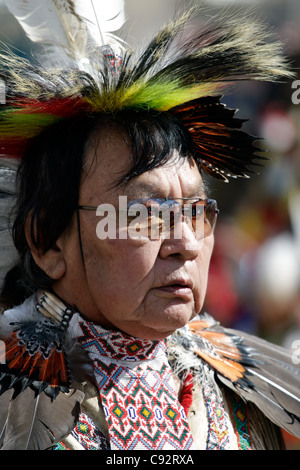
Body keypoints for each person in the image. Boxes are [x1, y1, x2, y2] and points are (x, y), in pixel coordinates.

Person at [0, 3, 299, 451]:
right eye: (143, 214)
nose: (186, 244)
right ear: (46, 241)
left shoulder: (261, 390)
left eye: (197, 212)